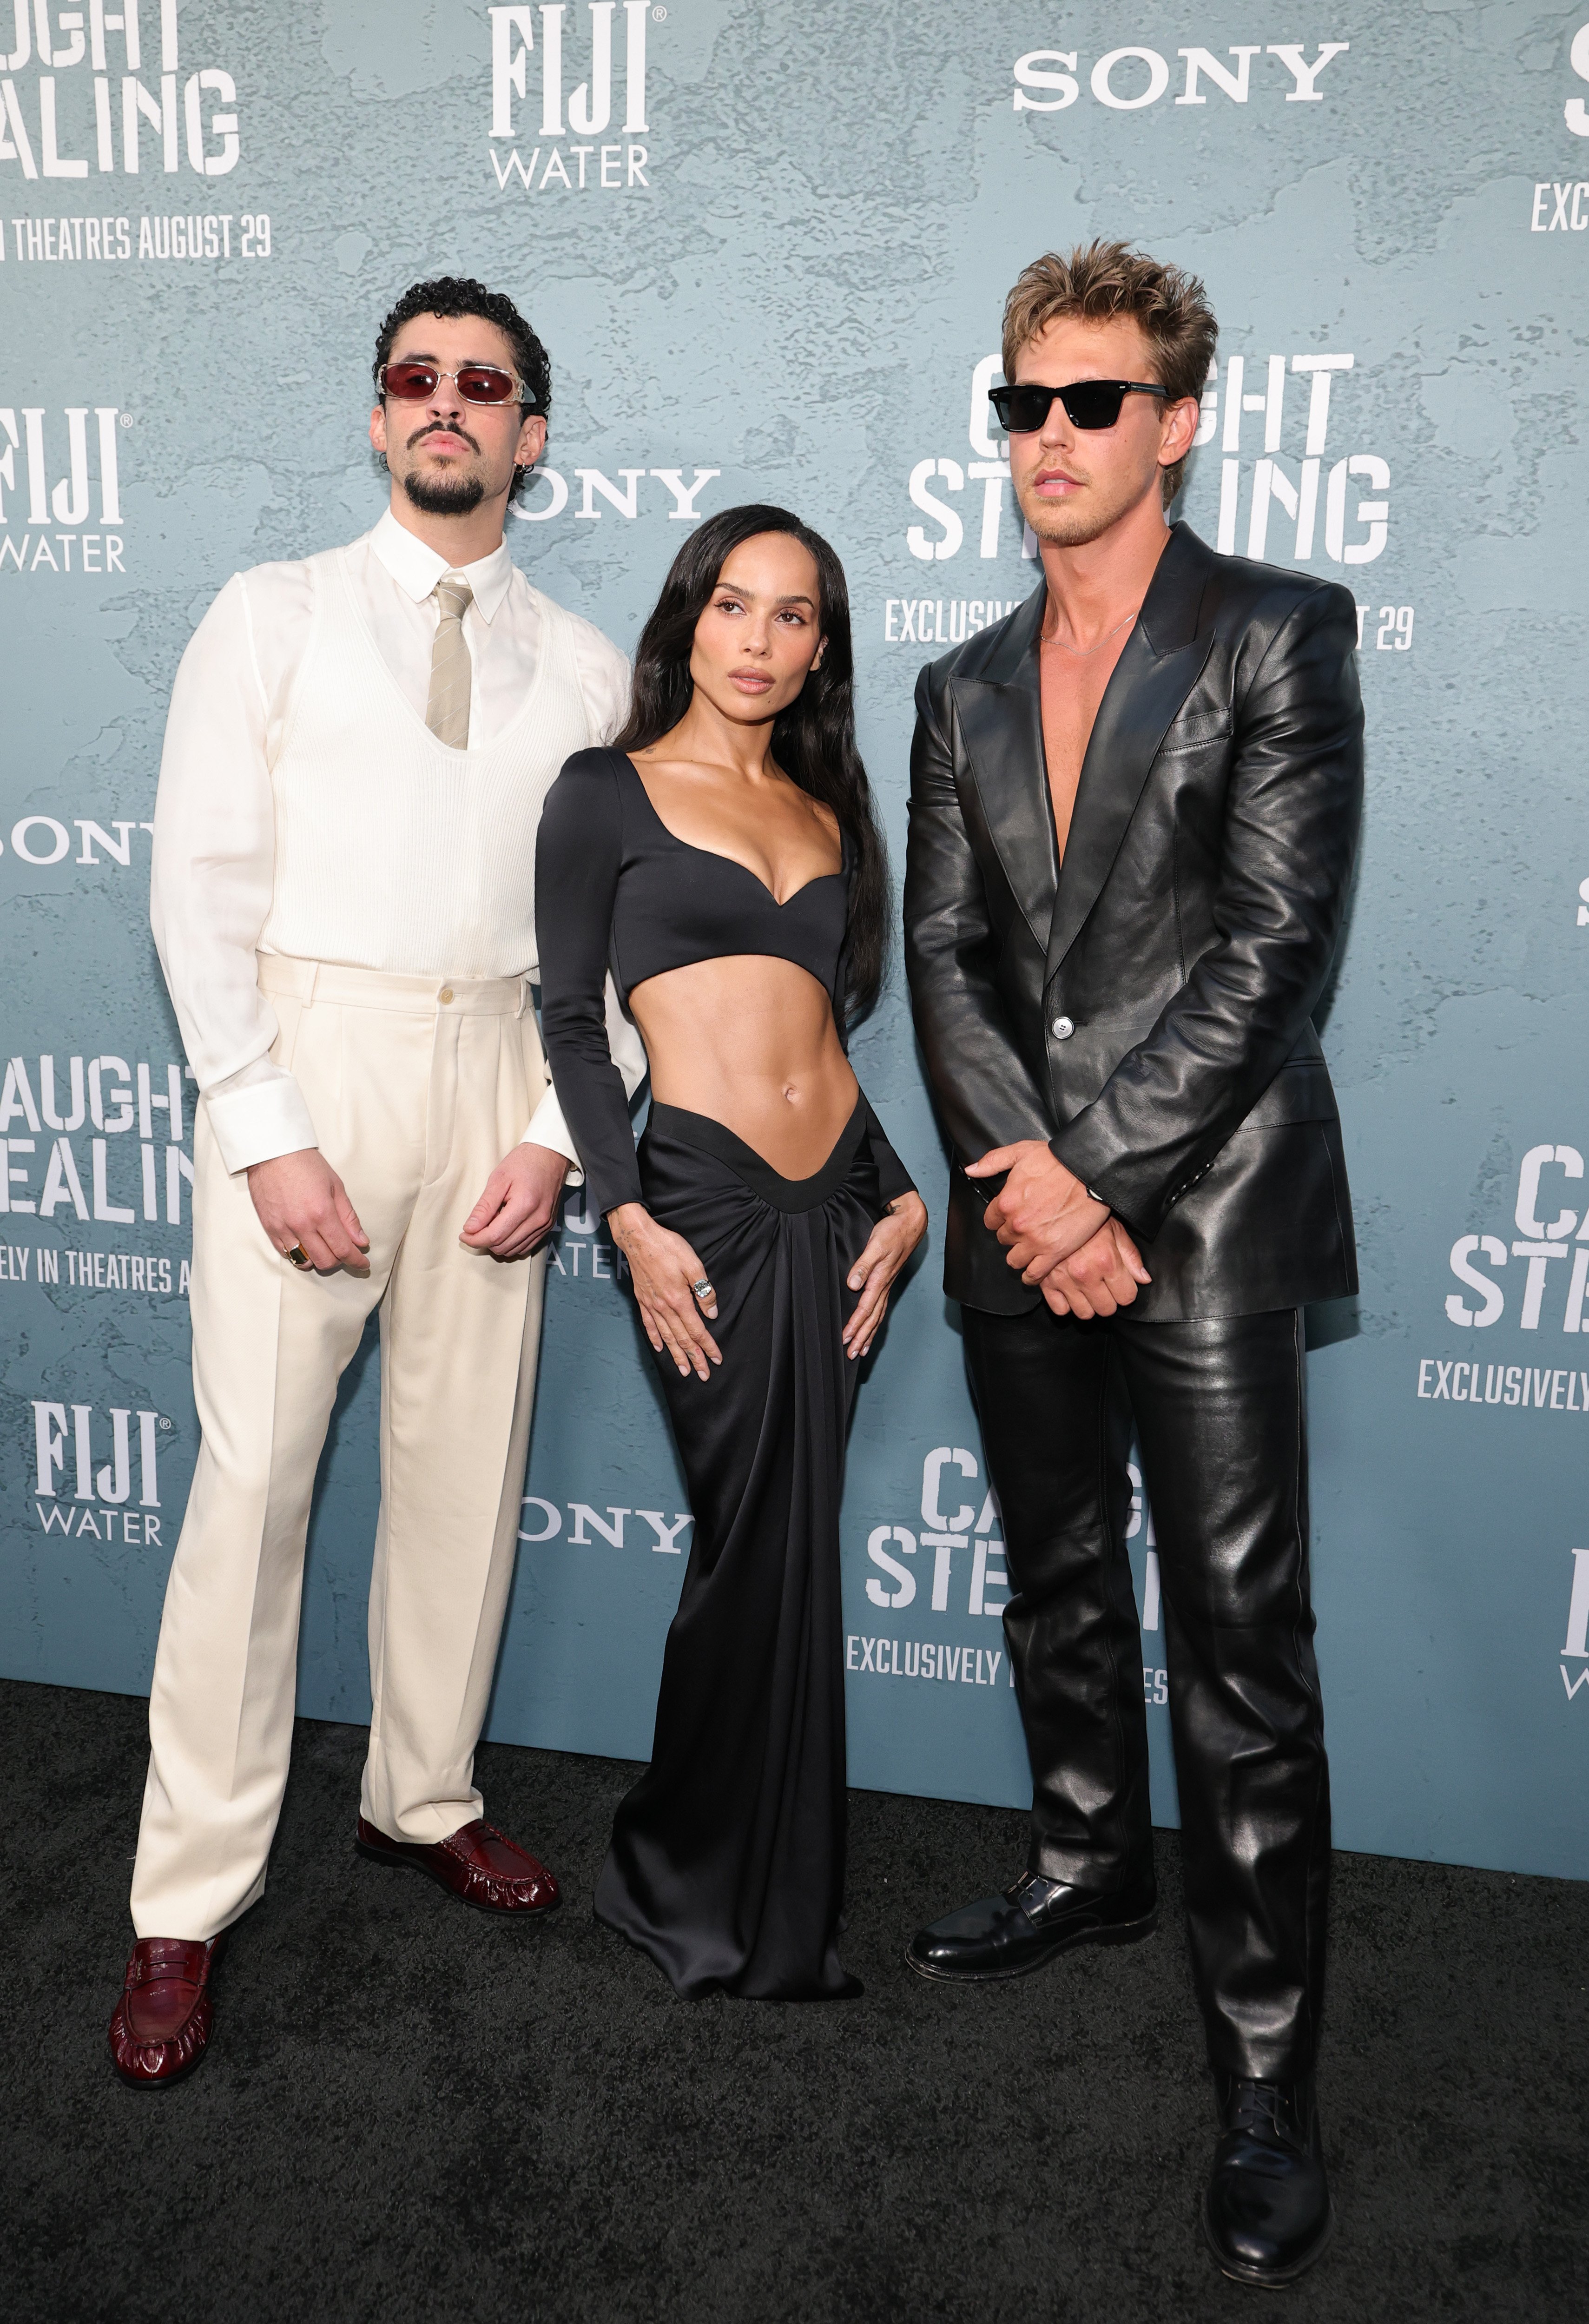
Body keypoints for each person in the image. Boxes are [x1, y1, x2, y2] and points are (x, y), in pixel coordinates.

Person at [110, 276, 648, 2087]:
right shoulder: (267, 617)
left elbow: (622, 932)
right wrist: (265, 1123)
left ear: (530, 433)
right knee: (252, 1491)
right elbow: (197, 885)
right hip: (308, 1059)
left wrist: (562, 1134)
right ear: (376, 416)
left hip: (501, 1066)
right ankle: (182, 1900)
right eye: (415, 377)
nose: (447, 406)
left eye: (483, 385)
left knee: (460, 1474)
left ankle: (422, 1794)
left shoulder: (587, 667)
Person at [902, 242, 1362, 2287]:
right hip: (1032, 1212)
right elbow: (944, 956)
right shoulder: (955, 683)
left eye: (1096, 401)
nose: (1055, 440)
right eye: (1027, 403)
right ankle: (1087, 1858)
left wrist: (1091, 1184)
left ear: (1180, 419)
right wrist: (1029, 1181)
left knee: (1246, 1644)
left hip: (1203, 1204)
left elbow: (1275, 949)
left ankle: (1266, 2063)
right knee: (1059, 1569)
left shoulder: (1279, 631)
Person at [535, 506, 927, 2000]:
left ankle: (772, 1880)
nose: (761, 642)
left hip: (840, 1210)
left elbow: (823, 1036)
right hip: (695, 1203)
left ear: (823, 646)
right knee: (748, 1546)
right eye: (735, 607)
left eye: (797, 617)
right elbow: (573, 1023)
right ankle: (684, 1870)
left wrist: (903, 1196)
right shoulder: (602, 792)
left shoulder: (833, 815)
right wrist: (625, 1216)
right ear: (685, 618)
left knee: (791, 1547)